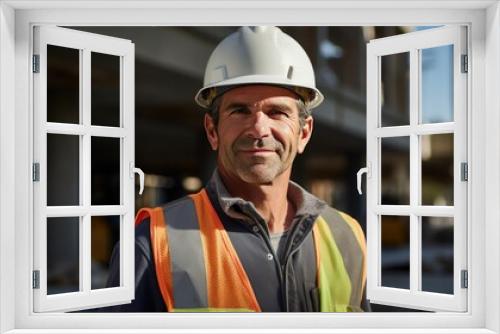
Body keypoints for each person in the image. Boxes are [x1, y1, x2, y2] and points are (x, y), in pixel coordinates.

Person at [104, 26, 368, 312]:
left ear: (304, 132)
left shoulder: (347, 235)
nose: (258, 129)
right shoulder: (152, 242)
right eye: (240, 111)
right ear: (212, 130)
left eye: (277, 112)